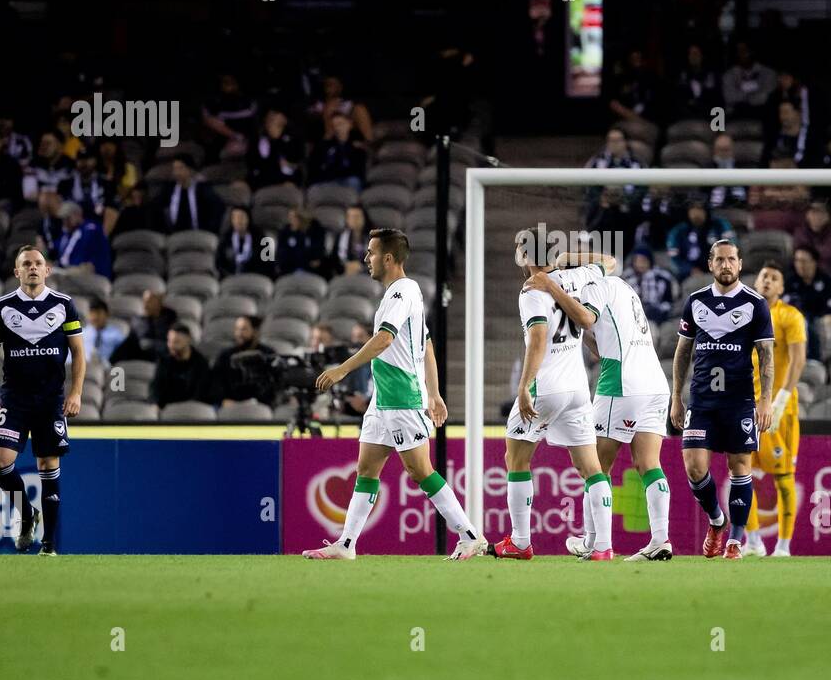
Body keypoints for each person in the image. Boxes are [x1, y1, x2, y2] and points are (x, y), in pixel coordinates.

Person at [307, 228, 486, 561]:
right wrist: (435, 393)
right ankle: (346, 545)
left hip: (402, 395)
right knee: (366, 469)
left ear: (388, 258)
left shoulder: (402, 292)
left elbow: (385, 340)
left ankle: (470, 534)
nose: (366, 259)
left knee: (420, 471)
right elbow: (426, 343)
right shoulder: (403, 293)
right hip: (383, 397)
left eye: (371, 253)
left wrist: (343, 369)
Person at [525, 251, 674, 562]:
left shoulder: (595, 288)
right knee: (648, 464)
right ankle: (660, 539)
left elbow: (586, 318)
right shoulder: (623, 287)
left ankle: (594, 542)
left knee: (596, 467)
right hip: (656, 384)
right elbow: (595, 336)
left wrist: (552, 289)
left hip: (621, 383)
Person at [486, 228, 616, 561]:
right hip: (577, 388)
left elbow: (539, 340)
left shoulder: (531, 291)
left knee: (516, 460)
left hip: (546, 386)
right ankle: (602, 547)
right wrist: (566, 262)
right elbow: (609, 261)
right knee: (591, 467)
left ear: (526, 256)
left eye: (519, 248)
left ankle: (520, 541)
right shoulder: (578, 276)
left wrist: (524, 385)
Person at [670, 239, 774, 560]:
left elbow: (766, 355)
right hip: (701, 400)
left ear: (740, 264)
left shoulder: (755, 304)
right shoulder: (696, 301)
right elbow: (683, 351)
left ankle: (736, 541)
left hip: (739, 401)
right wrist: (676, 396)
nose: (726, 265)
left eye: (731, 260)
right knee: (694, 467)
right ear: (711, 264)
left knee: (740, 466)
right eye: (720, 260)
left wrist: (765, 400)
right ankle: (717, 520)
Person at [0, 245, 86, 556]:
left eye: (38, 263)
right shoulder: (3, 307)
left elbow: (79, 353)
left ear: (47, 270)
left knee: (47, 464)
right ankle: (27, 516)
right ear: (16, 272)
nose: (33, 268)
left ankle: (49, 546)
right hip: (14, 397)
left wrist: (77, 392)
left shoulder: (64, 305)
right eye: (26, 264)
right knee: (1, 462)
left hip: (50, 398)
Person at [741, 261, 807, 558]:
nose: (767, 280)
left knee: (783, 478)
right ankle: (753, 541)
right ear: (756, 281)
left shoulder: (789, 316)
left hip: (780, 411)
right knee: (743, 473)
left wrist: (780, 400)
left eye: (774, 277)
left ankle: (783, 545)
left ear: (781, 287)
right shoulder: (743, 315)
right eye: (764, 275)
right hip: (746, 409)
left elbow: (798, 360)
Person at [783, 244, 831, 361]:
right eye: (797, 261)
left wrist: (829, 314)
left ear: (814, 262)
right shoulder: (790, 281)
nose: (800, 265)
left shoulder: (826, 280)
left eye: (804, 261)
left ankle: (817, 360)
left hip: (819, 319)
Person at [210, 316, 276, 408]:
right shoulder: (225, 356)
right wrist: (223, 400)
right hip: (230, 404)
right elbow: (216, 382)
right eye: (237, 329)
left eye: (244, 329)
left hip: (260, 406)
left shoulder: (267, 354)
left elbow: (272, 385)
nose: (239, 334)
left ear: (255, 331)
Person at [666, 198, 733, 280]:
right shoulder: (677, 231)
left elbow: (732, 247)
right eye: (692, 209)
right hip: (690, 276)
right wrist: (689, 270)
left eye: (699, 209)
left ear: (706, 211)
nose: (696, 213)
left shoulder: (720, 225)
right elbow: (673, 258)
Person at [152, 323, 212, 408]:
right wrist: (156, 404)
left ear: (188, 339)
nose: (171, 346)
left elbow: (201, 393)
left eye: (176, 342)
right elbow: (156, 387)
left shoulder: (201, 363)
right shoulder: (164, 360)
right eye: (169, 341)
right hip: (167, 407)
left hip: (192, 408)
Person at [159, 154, 222, 235]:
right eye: (175, 169)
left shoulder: (202, 189)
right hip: (174, 235)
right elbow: (157, 207)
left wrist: (209, 231)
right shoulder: (169, 189)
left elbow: (217, 208)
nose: (176, 173)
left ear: (190, 170)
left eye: (180, 168)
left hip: (199, 234)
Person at [111, 290, 177, 364]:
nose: (145, 305)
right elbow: (132, 341)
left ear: (159, 302)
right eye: (144, 301)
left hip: (162, 352)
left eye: (149, 301)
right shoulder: (137, 320)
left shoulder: (169, 317)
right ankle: (110, 365)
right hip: (141, 352)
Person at [308, 111, 367, 191]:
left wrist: (347, 144)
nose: (337, 128)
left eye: (340, 124)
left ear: (349, 124)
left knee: (353, 182)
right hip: (330, 179)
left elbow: (357, 167)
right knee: (313, 188)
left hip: (349, 178)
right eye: (334, 126)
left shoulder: (357, 139)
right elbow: (316, 165)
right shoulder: (328, 144)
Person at [53, 201, 113, 279]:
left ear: (78, 214)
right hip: (71, 270)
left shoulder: (90, 230)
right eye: (63, 219)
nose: (65, 223)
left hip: (95, 274)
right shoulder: (69, 234)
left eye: (68, 218)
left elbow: (86, 262)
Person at [619, 246, 679, 323]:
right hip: (633, 314)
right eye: (637, 261)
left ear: (649, 261)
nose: (640, 264)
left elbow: (670, 298)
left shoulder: (662, 276)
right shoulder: (626, 277)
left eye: (643, 260)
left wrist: (662, 309)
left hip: (658, 312)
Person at [721, 40, 776, 119]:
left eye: (745, 51)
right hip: (736, 115)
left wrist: (742, 97)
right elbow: (729, 97)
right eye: (739, 51)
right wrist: (753, 96)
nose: (742, 54)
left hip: (762, 114)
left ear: (752, 51)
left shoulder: (768, 73)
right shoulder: (729, 74)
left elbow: (765, 97)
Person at [216, 206, 268, 277]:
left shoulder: (260, 237)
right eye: (234, 218)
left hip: (255, 277)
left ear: (248, 219)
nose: (238, 221)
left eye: (241, 217)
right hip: (230, 278)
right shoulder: (226, 238)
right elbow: (219, 263)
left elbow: (267, 262)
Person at [277, 208, 327, 278]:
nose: (291, 221)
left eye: (294, 218)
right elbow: (282, 252)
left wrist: (316, 258)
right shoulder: (285, 232)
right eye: (290, 218)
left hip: (311, 269)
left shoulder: (316, 230)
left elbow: (319, 251)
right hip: (290, 268)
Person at [330, 204, 371, 276]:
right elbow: (334, 259)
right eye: (350, 217)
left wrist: (362, 267)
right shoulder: (341, 236)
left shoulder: (374, 237)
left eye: (357, 217)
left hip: (368, 274)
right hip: (345, 272)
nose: (353, 220)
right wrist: (345, 267)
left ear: (364, 218)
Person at [82, 299, 126, 367]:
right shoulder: (81, 334)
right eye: (91, 312)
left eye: (98, 313)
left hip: (107, 369)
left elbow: (122, 356)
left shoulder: (116, 335)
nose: (95, 317)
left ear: (107, 314)